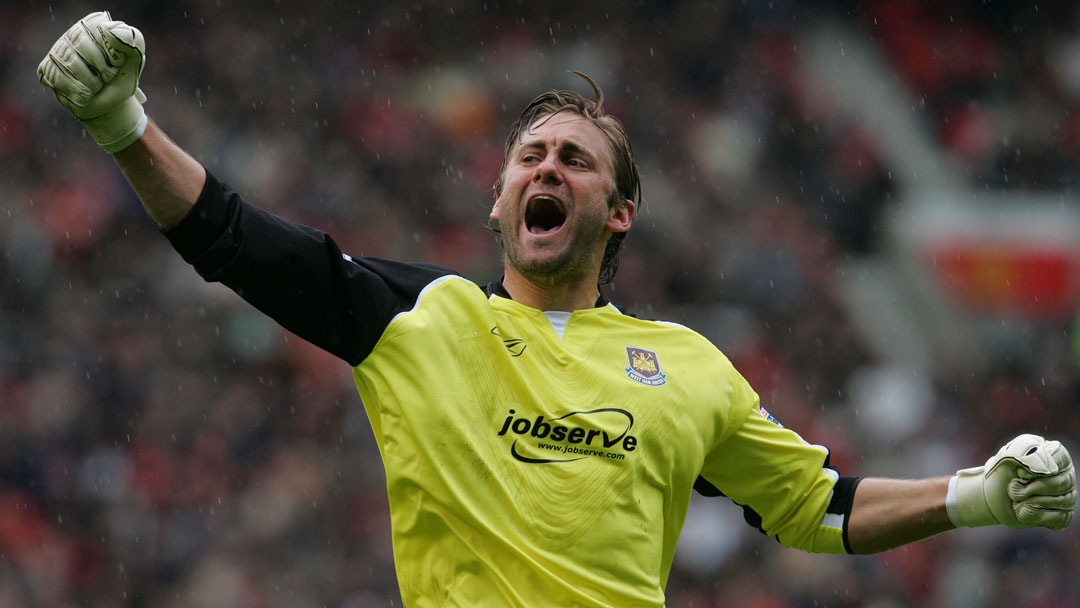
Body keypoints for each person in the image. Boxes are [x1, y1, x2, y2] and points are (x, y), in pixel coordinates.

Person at [38, 12, 1076, 607]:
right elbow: (230, 236)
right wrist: (120, 120)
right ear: (497, 202)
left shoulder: (690, 365)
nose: (545, 167)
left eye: (573, 160)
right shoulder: (420, 316)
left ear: (617, 213)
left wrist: (977, 494)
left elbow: (821, 504)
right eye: (527, 155)